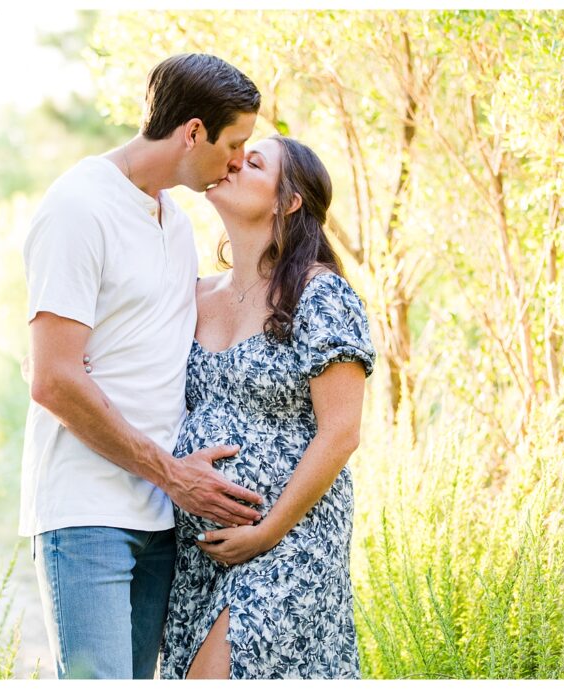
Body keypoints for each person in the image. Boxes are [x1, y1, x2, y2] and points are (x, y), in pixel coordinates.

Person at [19, 54, 263, 680]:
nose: (238, 162)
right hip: (88, 509)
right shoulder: (79, 205)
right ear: (193, 132)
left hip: (162, 520)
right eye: (235, 144)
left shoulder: (176, 223)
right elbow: (52, 378)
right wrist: (173, 475)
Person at [158, 135, 376, 679]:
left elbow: (342, 432)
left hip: (290, 538)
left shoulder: (318, 294)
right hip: (202, 552)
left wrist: (268, 531)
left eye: (252, 163)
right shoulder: (194, 293)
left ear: (289, 201)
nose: (233, 163)